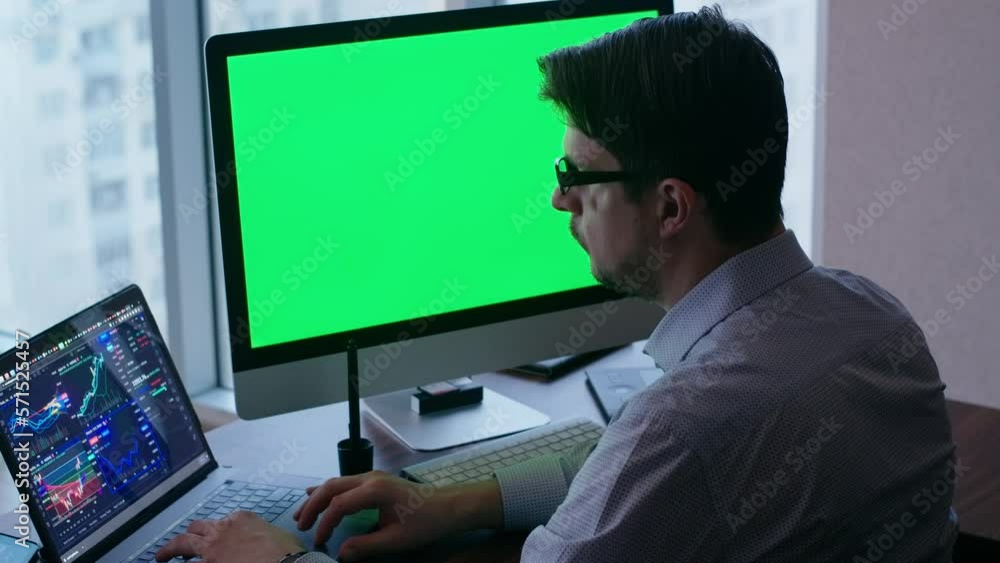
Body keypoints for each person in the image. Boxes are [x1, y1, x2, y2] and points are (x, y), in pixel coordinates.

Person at [157, 6, 958, 563]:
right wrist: (459, 502)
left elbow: (665, 468)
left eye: (577, 173)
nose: (558, 198)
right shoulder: (878, 320)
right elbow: (647, 483)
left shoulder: (685, 428)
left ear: (671, 205)